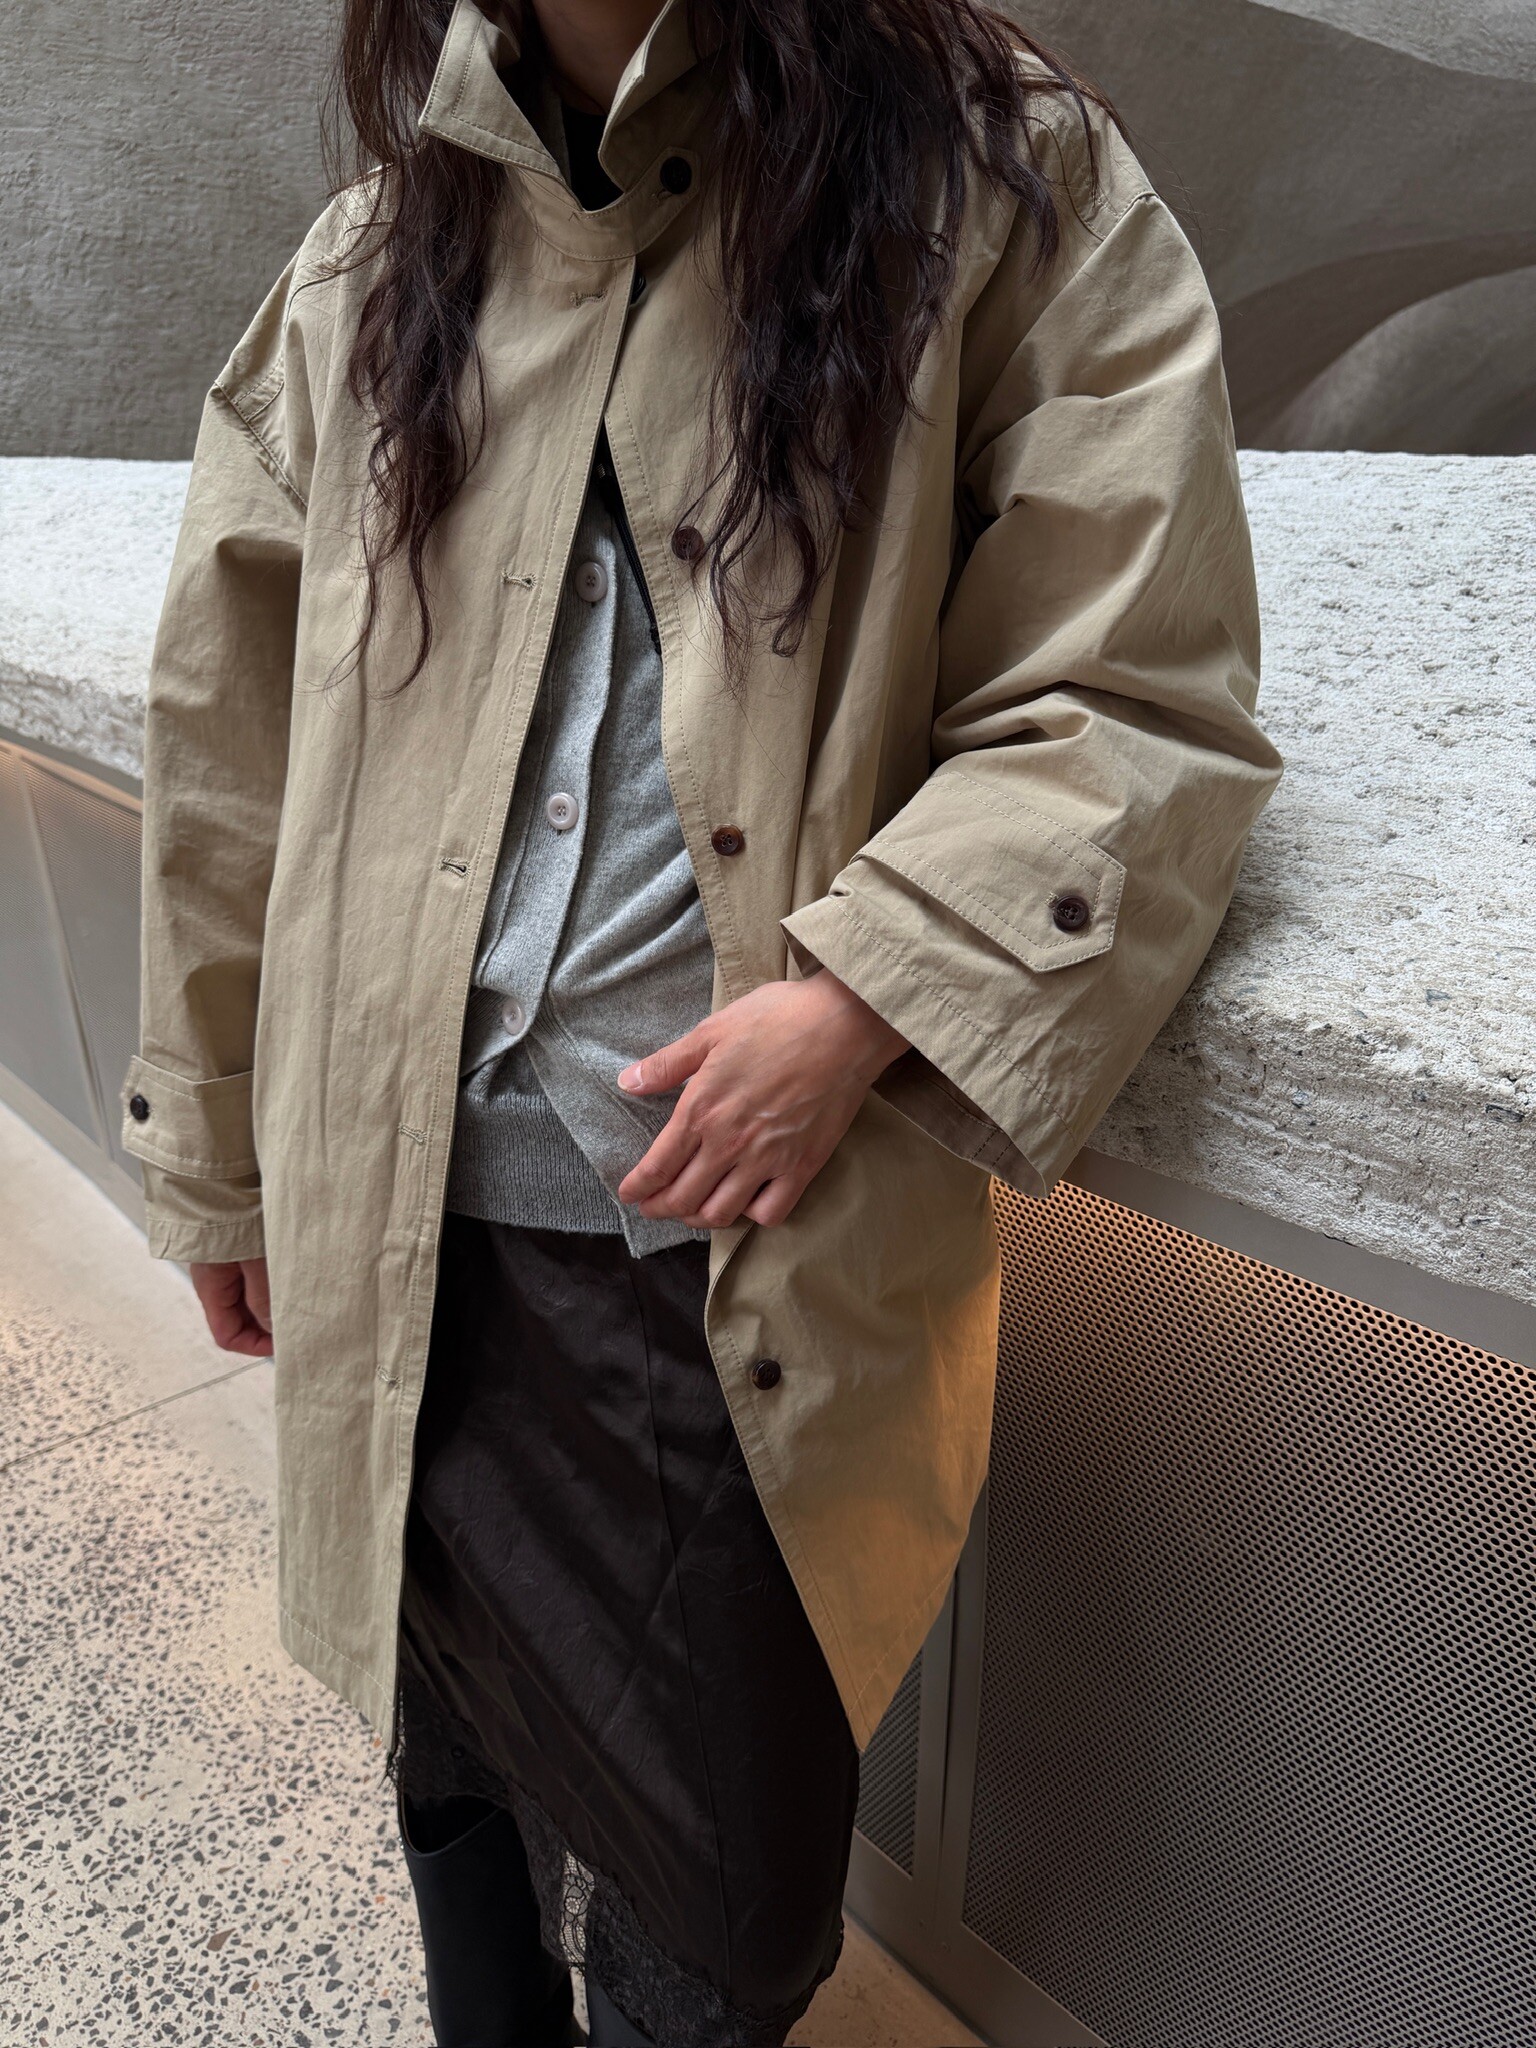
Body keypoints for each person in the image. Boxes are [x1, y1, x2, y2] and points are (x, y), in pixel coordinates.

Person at [120, 0, 1283, 2040]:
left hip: (726, 1248)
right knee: (450, 1756)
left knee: (713, 1891)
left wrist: (865, 990)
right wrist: (220, 1148)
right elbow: (234, 739)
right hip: (398, 1208)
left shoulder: (997, 181)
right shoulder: (381, 251)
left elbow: (1131, 690)